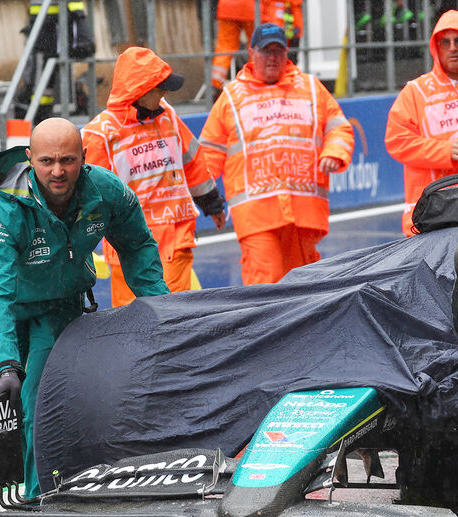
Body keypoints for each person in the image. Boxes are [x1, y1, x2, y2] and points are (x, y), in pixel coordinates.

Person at [0, 118, 169, 517]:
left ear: (83, 158)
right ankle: (38, 511)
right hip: (9, 312)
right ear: (30, 160)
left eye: (67, 160)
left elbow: (137, 245)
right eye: (46, 161)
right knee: (10, 416)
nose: (57, 171)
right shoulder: (8, 206)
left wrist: (164, 312)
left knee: (40, 408)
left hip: (58, 311)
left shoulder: (107, 192)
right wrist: (5, 362)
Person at [201, 23, 353, 285]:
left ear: (286, 54)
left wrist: (335, 152)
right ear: (252, 53)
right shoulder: (232, 96)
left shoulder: (311, 88)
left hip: (303, 212)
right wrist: (205, 199)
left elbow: (339, 129)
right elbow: (208, 153)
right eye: (266, 51)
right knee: (265, 286)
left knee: (304, 290)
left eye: (278, 51)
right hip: (256, 215)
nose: (273, 58)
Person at [82, 47, 225, 307]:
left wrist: (211, 202)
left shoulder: (167, 115)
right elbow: (87, 195)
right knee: (133, 324)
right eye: (160, 88)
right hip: (130, 247)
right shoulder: (101, 134)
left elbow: (192, 161)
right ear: (140, 90)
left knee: (175, 320)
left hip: (175, 239)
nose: (165, 93)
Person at [384, 10, 458, 236]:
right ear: (436, 47)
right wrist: (446, 150)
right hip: (430, 212)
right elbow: (397, 141)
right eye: (445, 42)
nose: (452, 47)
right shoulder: (415, 92)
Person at [210, 0, 303, 97]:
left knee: (225, 47)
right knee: (256, 47)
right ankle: (255, 81)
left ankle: (214, 86)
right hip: (252, 8)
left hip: (227, 7)